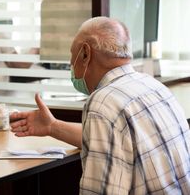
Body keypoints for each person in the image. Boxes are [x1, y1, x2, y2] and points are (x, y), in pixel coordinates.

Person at [10, 16, 190, 194]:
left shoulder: (104, 102)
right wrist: (52, 126)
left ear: (85, 54)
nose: (71, 64)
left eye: (72, 55)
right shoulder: (153, 86)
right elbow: (117, 141)